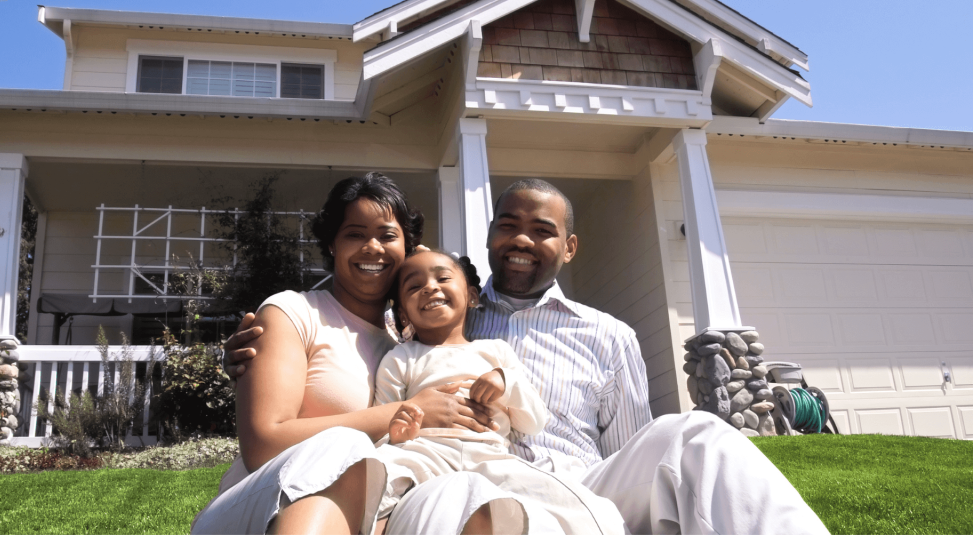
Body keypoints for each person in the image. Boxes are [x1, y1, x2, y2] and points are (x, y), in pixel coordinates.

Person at [225, 177, 829, 535]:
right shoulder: (434, 320)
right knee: (460, 502)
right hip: (461, 478)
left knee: (696, 436)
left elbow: (629, 449)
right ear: (486, 241)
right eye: (507, 225)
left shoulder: (610, 334)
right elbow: (350, 366)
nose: (520, 239)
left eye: (541, 230)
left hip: (585, 482)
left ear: (568, 247)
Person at [191, 172, 532, 535]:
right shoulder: (292, 313)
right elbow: (263, 444)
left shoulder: (403, 354)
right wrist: (405, 411)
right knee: (344, 447)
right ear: (332, 245)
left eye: (388, 236)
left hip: (357, 514)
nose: (372, 247)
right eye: (355, 234)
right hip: (263, 507)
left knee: (462, 496)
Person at [370, 250, 626, 534]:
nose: (430, 287)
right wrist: (397, 435)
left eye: (442, 278)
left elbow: (533, 422)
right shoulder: (400, 358)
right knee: (374, 481)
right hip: (424, 452)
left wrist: (506, 383)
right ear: (403, 313)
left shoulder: (495, 351)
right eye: (414, 286)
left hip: (489, 456)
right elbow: (383, 421)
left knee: (578, 506)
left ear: (471, 296)